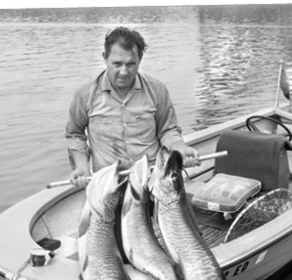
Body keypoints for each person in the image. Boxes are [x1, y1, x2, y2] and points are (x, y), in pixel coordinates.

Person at [65, 27, 200, 187]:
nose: (124, 71)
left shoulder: (157, 90)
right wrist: (81, 166)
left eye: (130, 64)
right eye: (117, 64)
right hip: (109, 183)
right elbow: (75, 134)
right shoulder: (85, 93)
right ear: (105, 58)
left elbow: (168, 130)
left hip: (152, 178)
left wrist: (179, 146)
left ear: (140, 61)